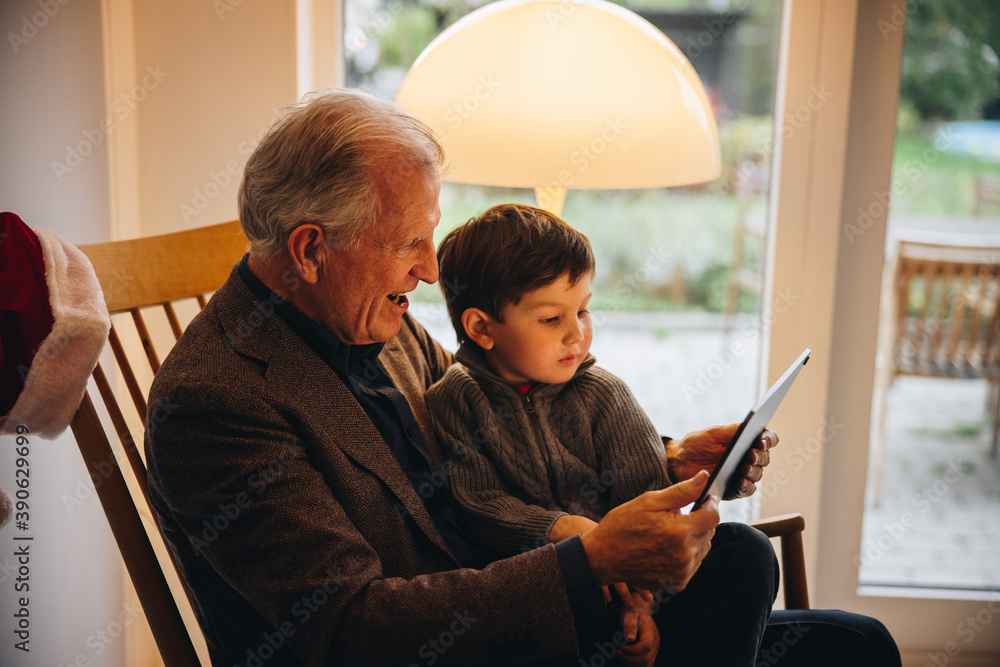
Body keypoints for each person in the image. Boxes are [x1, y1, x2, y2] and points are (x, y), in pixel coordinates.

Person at [144, 88, 900, 667]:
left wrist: (669, 463)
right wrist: (591, 559)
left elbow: (495, 430)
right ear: (310, 250)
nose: (431, 269)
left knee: (853, 642)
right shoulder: (216, 403)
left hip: (521, 607)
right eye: (409, 242)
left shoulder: (367, 312)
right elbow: (350, 629)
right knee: (750, 571)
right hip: (464, 642)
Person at [425, 203, 674, 662]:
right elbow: (479, 505)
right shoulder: (454, 400)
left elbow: (648, 497)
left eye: (583, 311)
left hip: (637, 585)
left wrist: (641, 605)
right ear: (482, 328)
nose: (576, 335)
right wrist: (563, 529)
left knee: (747, 552)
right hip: (544, 595)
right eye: (550, 319)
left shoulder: (605, 393)